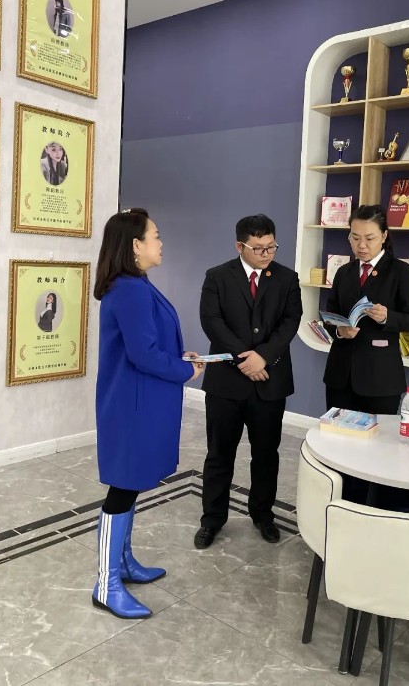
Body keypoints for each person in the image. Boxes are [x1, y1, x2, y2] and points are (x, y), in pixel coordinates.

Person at [93, 208, 203, 619]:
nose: (161, 242)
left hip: (135, 402)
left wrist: (178, 357)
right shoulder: (131, 289)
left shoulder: (135, 284)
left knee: (132, 484)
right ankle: (106, 584)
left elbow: (148, 344)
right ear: (136, 245)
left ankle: (123, 563)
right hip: (132, 407)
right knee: (122, 489)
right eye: (155, 235)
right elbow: (143, 355)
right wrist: (184, 371)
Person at [194, 214, 303, 549]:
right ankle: (212, 520)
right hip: (225, 384)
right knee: (219, 454)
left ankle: (263, 515)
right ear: (239, 246)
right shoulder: (217, 276)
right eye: (258, 248)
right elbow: (211, 321)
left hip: (270, 381)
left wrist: (263, 357)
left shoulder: (287, 278)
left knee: (266, 454)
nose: (266, 253)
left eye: (271, 246)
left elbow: (290, 321)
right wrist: (245, 358)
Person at [324, 204, 409, 416]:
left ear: (384, 236)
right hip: (340, 375)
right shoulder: (343, 272)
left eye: (369, 238)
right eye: (355, 238)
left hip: (381, 378)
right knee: (336, 434)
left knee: (379, 436)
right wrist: (340, 331)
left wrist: (387, 317)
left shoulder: (401, 271)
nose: (361, 245)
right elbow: (329, 316)